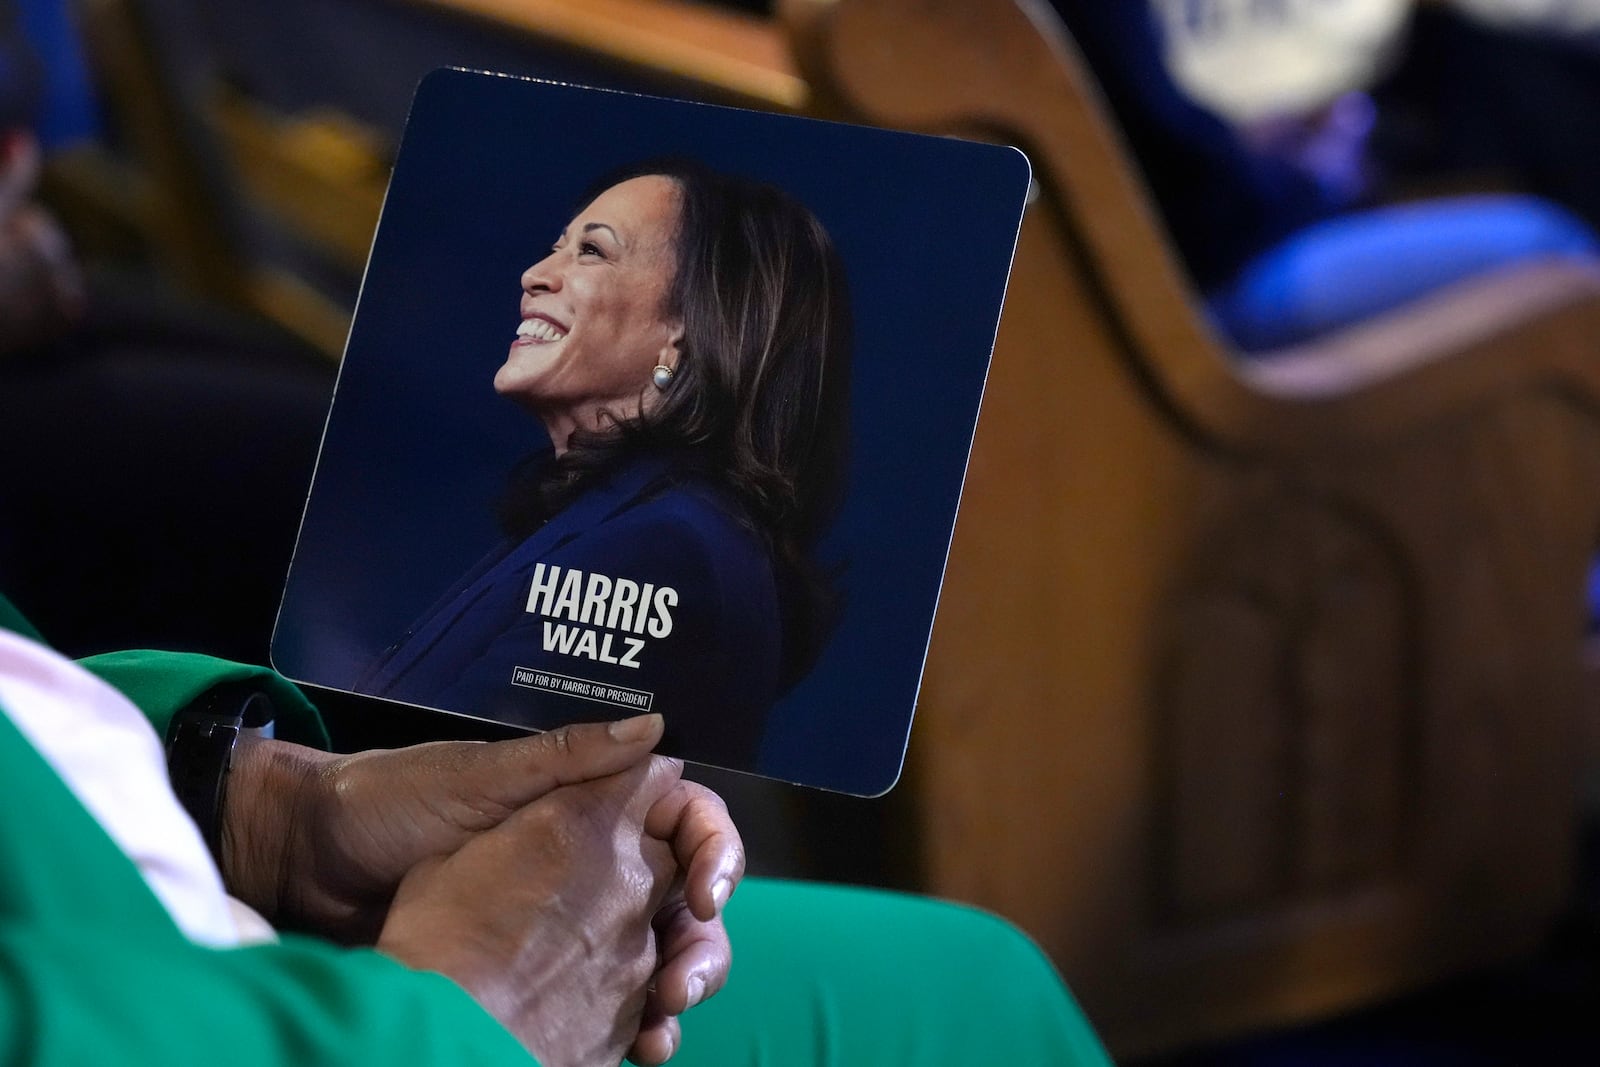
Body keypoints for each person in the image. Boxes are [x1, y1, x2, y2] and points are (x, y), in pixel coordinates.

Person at [0, 589, 1111, 1065]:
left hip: (123, 909)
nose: (538, 273)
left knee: (968, 980)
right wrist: (465, 1014)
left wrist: (245, 803)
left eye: (592, 251)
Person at [357, 158, 850, 771]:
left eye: (591, 252)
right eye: (556, 247)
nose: (534, 275)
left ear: (686, 332)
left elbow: (456, 779)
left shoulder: (665, 552)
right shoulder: (620, 523)